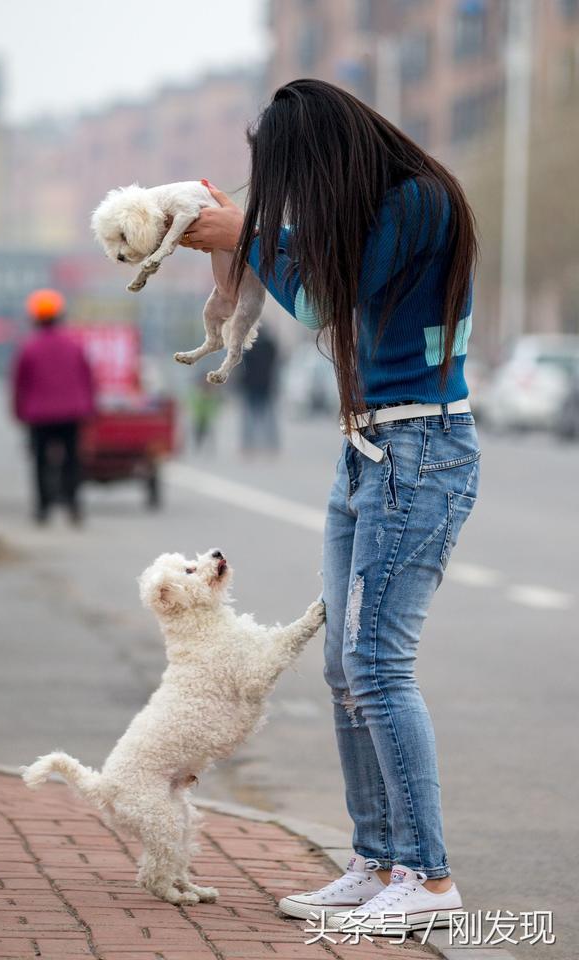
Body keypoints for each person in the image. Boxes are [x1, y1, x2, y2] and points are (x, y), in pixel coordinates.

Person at [180, 78, 481, 934]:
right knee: (346, 669)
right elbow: (308, 267)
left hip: (421, 451)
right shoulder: (378, 209)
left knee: (379, 665)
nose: (290, 194)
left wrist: (246, 234)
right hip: (368, 450)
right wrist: (241, 235)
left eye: (290, 174)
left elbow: (319, 298)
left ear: (327, 156)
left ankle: (427, 883)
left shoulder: (421, 203)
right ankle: (376, 860)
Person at [11, 289, 95, 525]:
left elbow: (19, 384)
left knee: (40, 462)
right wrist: (89, 409)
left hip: (39, 415)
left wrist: (19, 412)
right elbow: (87, 379)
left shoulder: (29, 347)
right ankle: (73, 505)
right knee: (71, 460)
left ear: (34, 317)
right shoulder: (73, 345)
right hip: (71, 413)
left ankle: (42, 508)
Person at [237, 327, 280, 455]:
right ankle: (272, 446)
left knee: (249, 419)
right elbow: (274, 361)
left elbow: (241, 365)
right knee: (268, 418)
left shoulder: (248, 347)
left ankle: (248, 446)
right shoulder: (269, 346)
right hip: (266, 386)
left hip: (251, 386)